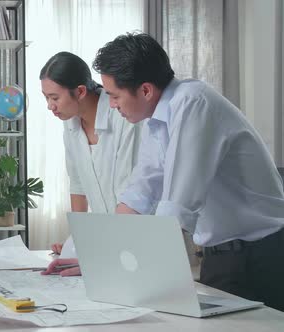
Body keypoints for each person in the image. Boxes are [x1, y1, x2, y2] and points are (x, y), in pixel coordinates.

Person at [93, 32, 284, 311]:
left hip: (261, 255)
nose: (111, 105)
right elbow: (140, 192)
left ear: (145, 90)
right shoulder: (157, 120)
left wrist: (134, 272)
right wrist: (102, 256)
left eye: (114, 95)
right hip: (223, 256)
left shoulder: (194, 102)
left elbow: (178, 206)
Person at [38, 52, 140, 276]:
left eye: (55, 98)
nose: (50, 106)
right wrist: (77, 241)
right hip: (108, 241)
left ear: (81, 91)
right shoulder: (70, 124)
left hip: (136, 236)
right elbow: (78, 185)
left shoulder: (122, 117)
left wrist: (97, 252)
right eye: (46, 98)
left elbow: (129, 191)